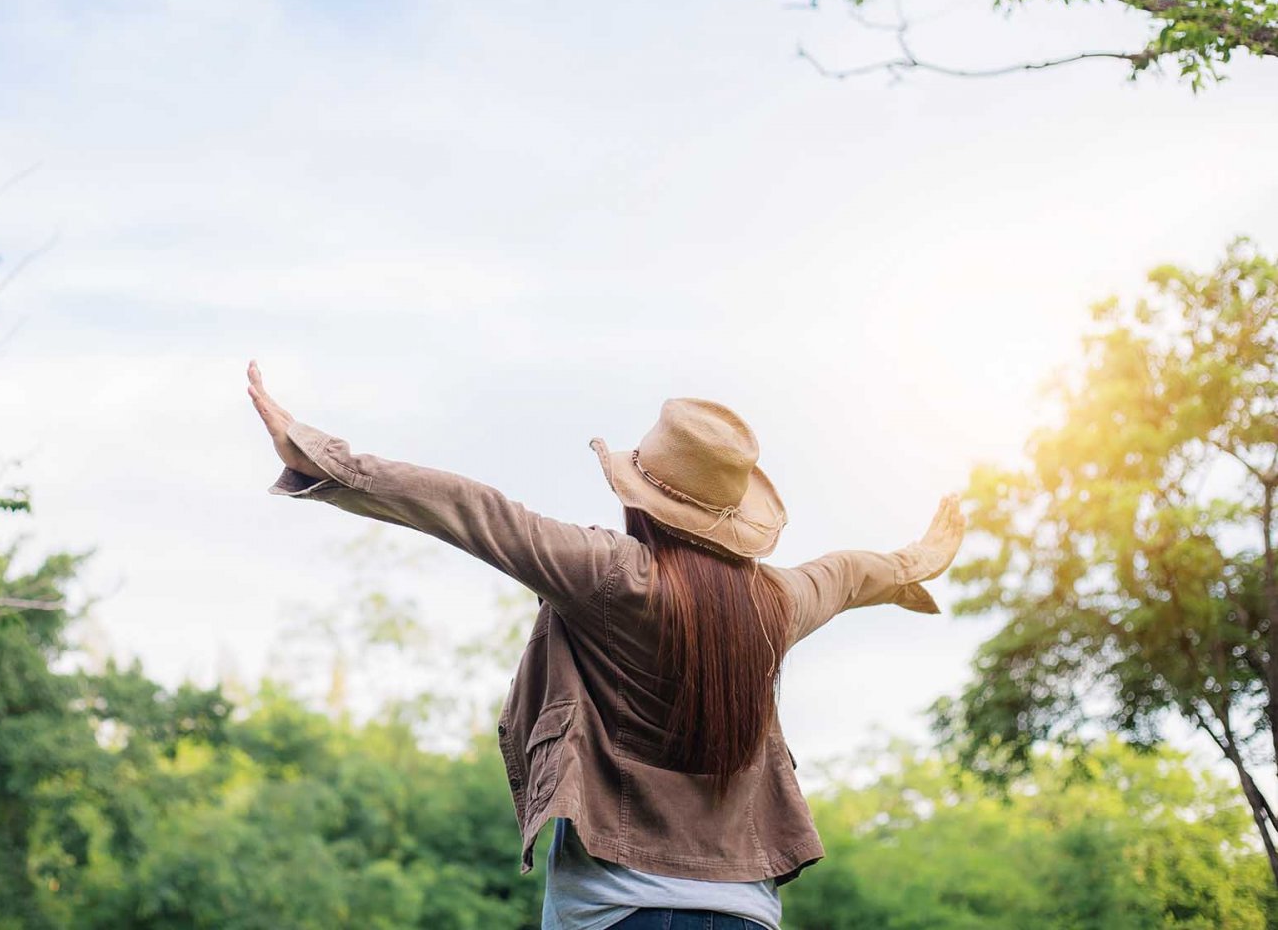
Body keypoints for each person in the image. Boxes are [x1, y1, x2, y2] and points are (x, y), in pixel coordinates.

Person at [247, 361, 964, 930]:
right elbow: (847, 574)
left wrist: (321, 456)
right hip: (747, 914)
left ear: (639, 499)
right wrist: (912, 564)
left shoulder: (614, 576)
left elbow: (473, 511)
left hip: (617, 911)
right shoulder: (774, 604)